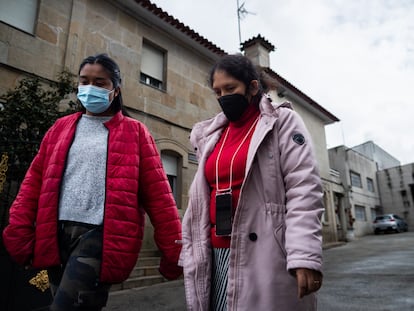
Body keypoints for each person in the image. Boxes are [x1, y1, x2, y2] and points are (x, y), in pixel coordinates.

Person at [2, 53, 182, 310]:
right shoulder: (60, 128)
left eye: (100, 83)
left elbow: (159, 197)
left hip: (99, 237)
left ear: (115, 90)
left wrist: (173, 251)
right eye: (84, 81)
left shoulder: (135, 132)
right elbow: (33, 183)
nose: (90, 88)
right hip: (54, 233)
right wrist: (18, 231)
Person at [179, 54, 324, 310]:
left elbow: (304, 189)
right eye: (217, 91)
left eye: (230, 88)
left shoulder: (282, 122)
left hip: (265, 252)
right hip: (215, 254)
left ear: (253, 87)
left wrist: (303, 255)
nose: (223, 96)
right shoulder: (211, 135)